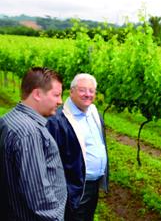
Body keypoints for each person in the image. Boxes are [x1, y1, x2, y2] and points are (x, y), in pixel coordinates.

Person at [0, 67, 67, 220]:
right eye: (56, 95)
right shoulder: (29, 132)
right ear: (37, 94)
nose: (60, 101)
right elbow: (39, 196)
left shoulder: (8, 118)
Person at [46, 73, 109, 221]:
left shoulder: (94, 113)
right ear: (72, 91)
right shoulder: (58, 120)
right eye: (82, 90)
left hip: (93, 186)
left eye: (91, 91)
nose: (88, 94)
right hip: (74, 187)